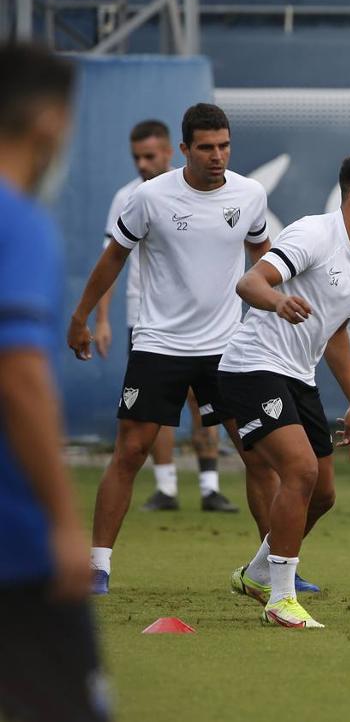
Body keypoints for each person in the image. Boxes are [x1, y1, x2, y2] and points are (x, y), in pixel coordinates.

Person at [67, 103, 286, 595]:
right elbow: (113, 259)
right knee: (130, 453)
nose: (217, 156)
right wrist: (82, 316)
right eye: (206, 147)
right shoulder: (150, 197)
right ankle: (97, 566)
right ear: (184, 150)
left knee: (258, 457)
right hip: (159, 345)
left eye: (224, 145)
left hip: (229, 349)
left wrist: (275, 305)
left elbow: (262, 257)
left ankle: (274, 570)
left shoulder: (250, 194)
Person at [224, 151, 350, 628]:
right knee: (300, 471)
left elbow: (335, 331)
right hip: (253, 367)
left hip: (298, 377)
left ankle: (257, 572)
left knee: (323, 494)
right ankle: (280, 599)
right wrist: (279, 301)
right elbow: (251, 282)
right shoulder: (312, 233)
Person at [0, 42, 110, 722]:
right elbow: (19, 377)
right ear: (49, 121)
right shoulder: (19, 224)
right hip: (14, 544)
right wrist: (65, 524)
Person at [96, 119, 239, 513]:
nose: (142, 164)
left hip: (210, 326)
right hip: (151, 321)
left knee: (200, 404)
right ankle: (167, 486)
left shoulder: (228, 193)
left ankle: (210, 486)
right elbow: (112, 260)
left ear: (170, 151)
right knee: (156, 414)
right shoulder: (132, 196)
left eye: (149, 155)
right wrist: (102, 318)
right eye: (136, 157)